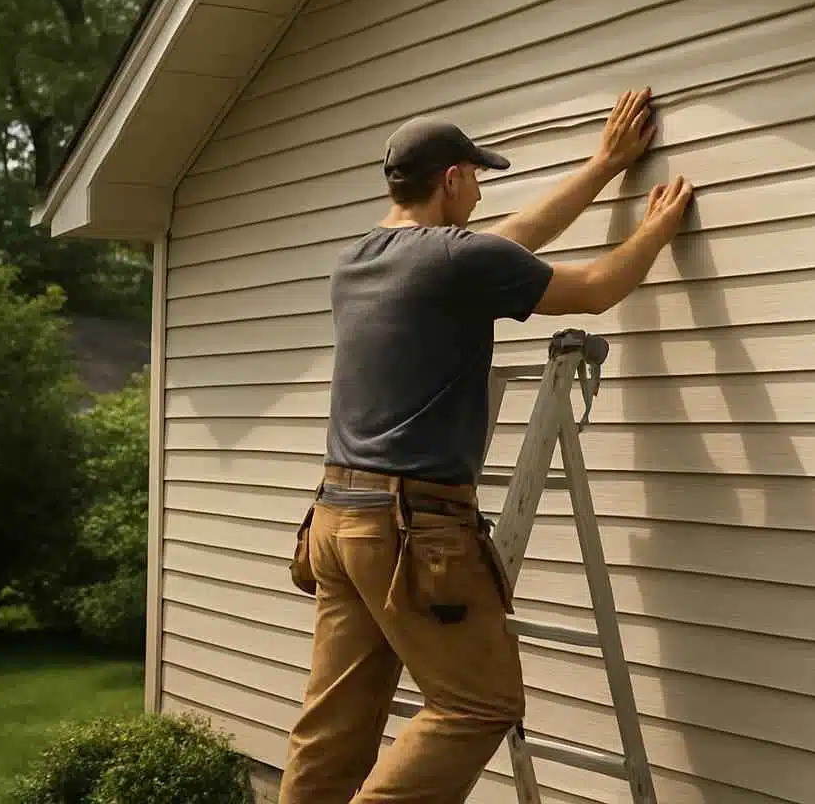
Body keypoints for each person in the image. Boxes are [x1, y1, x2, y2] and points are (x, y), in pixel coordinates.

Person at [277, 88, 693, 804]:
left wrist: (601, 166)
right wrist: (657, 227)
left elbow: (509, 240)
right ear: (451, 180)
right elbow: (594, 288)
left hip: (336, 521)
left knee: (333, 730)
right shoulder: (456, 263)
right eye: (476, 176)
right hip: (411, 530)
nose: (479, 189)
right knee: (479, 704)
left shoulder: (357, 263)